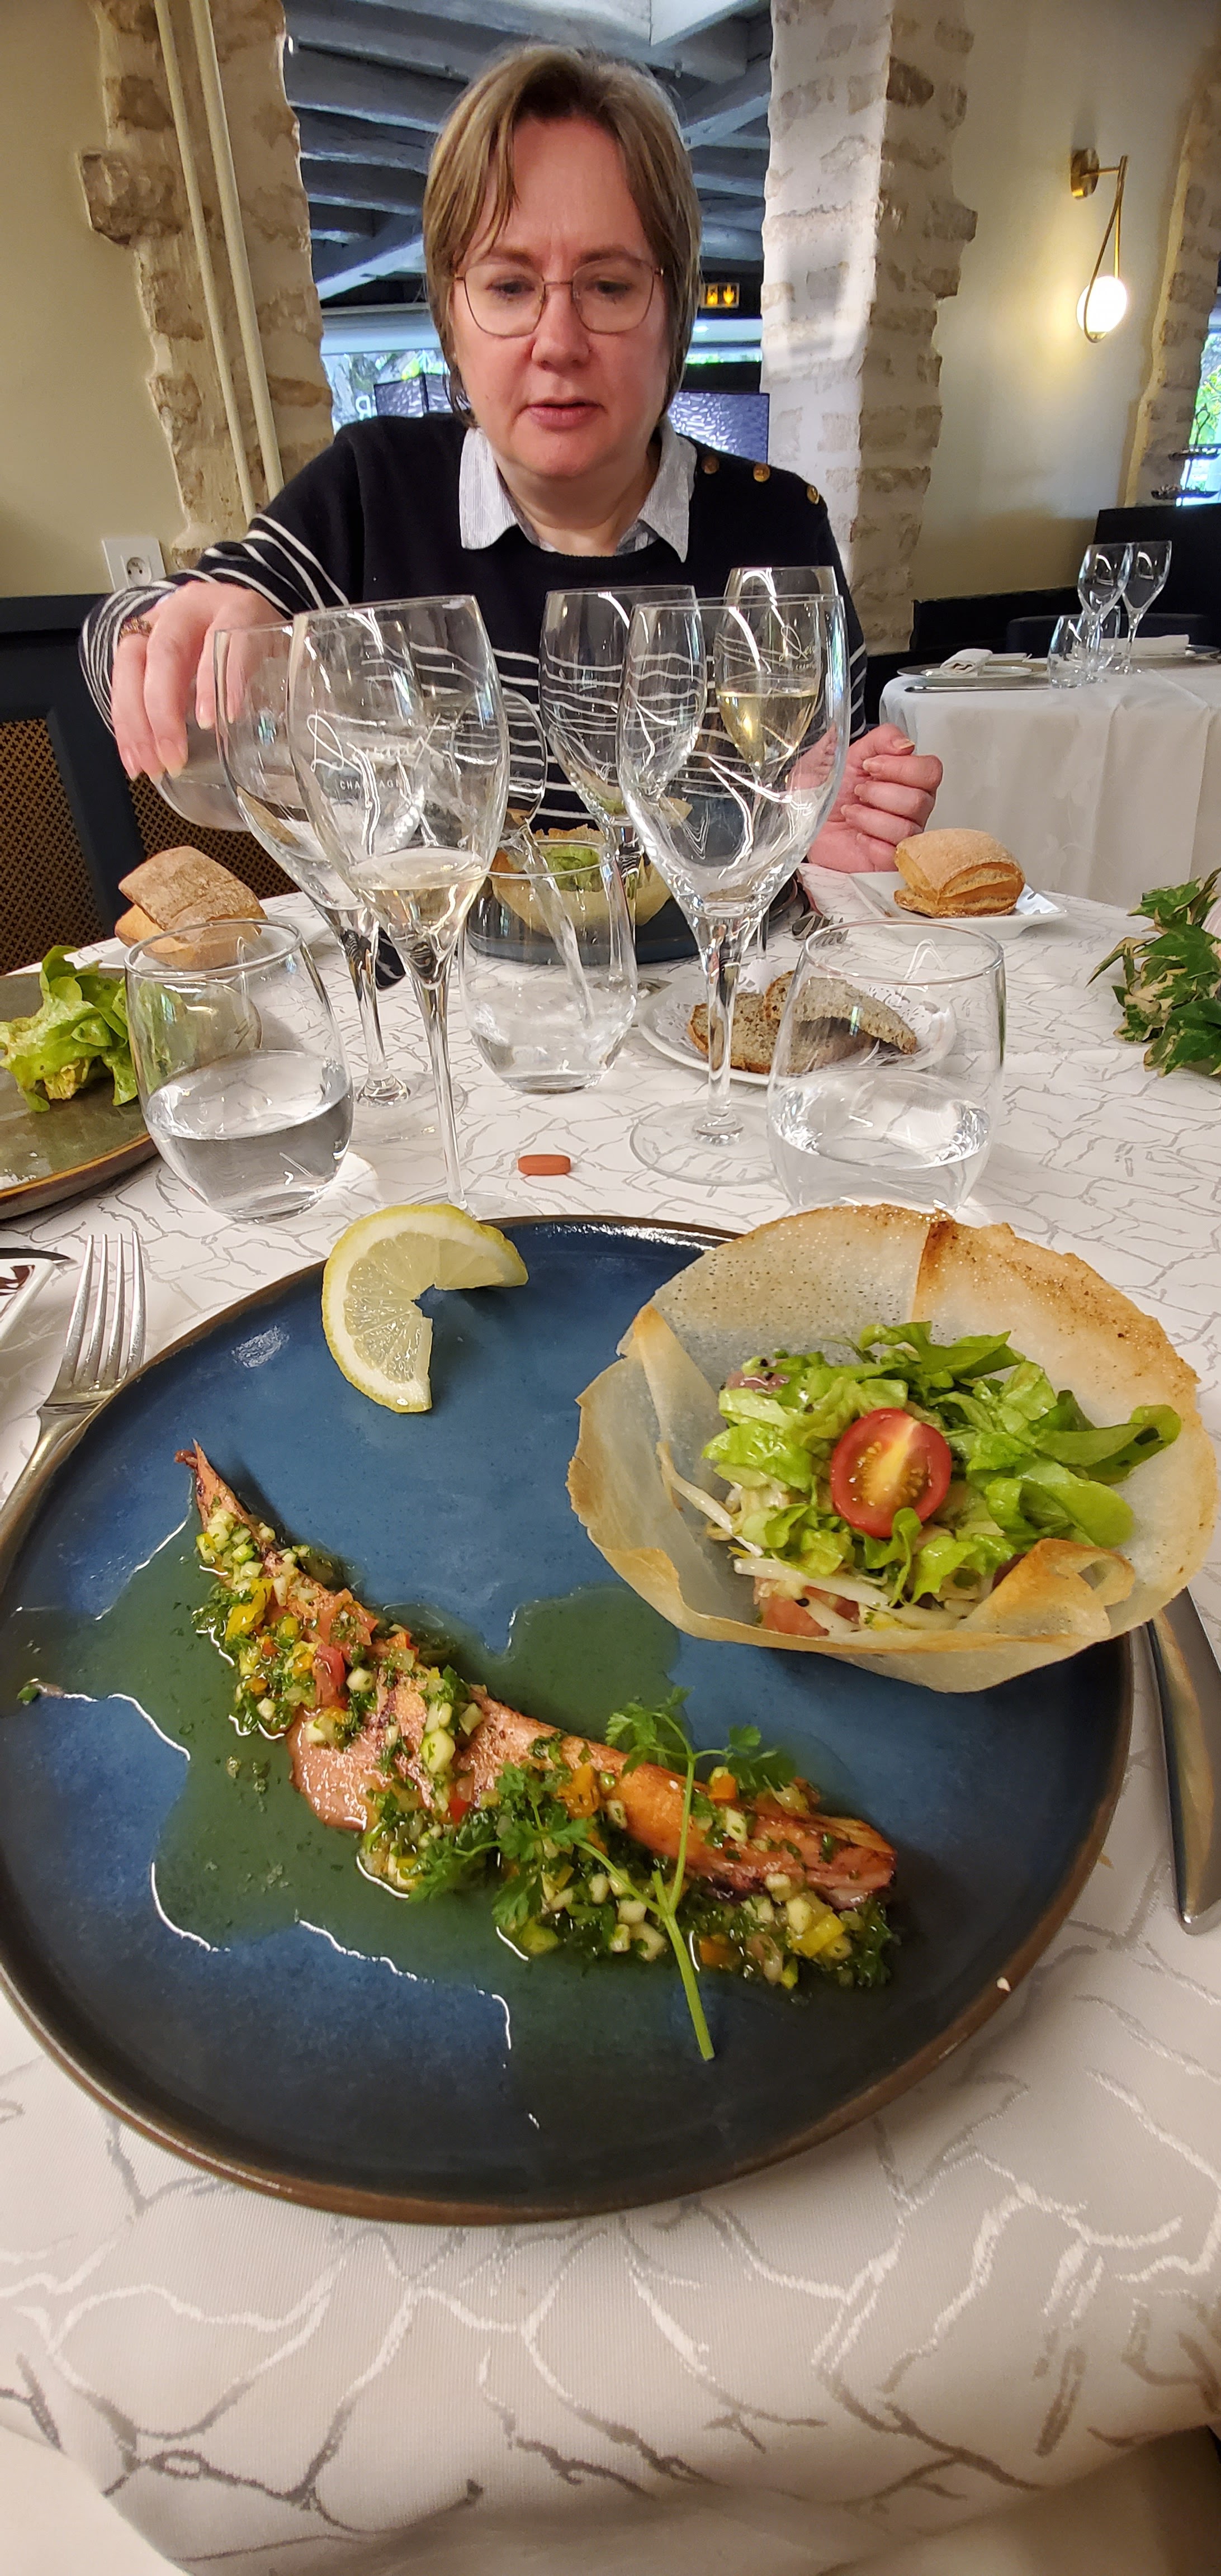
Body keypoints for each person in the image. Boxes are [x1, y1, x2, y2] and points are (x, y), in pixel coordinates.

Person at [82, 45, 940, 873]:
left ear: (674, 310)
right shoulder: (372, 489)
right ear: (451, 319)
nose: (557, 341)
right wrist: (179, 632)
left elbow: (811, 810)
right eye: (509, 286)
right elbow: (125, 638)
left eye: (609, 285)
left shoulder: (780, 528)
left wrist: (828, 828)